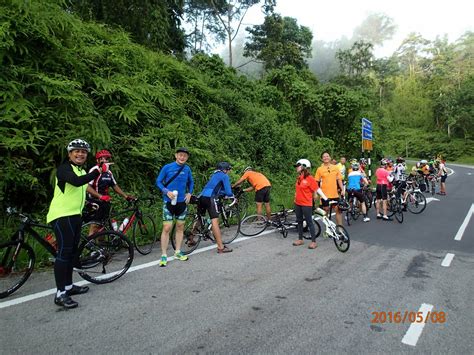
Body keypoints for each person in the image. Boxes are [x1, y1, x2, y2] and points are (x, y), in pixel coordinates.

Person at [46, 139, 106, 309]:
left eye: (84, 152)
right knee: (63, 254)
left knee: (72, 253)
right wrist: (97, 172)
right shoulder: (64, 169)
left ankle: (68, 287)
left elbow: (79, 191)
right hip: (62, 215)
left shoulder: (80, 170)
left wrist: (91, 202)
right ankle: (60, 294)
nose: (80, 154)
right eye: (76, 151)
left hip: (75, 216)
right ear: (69, 154)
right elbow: (77, 182)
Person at [156, 147, 194, 267]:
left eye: (185, 156)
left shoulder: (187, 169)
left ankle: (177, 251)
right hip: (169, 201)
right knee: (167, 227)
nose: (182, 157)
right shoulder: (167, 167)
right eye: (180, 155)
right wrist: (166, 191)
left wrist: (189, 193)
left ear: (187, 158)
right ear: (176, 155)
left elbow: (191, 182)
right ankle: (163, 255)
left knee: (180, 226)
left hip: (182, 202)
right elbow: (158, 181)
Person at [86, 150, 135, 234]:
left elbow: (115, 186)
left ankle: (101, 245)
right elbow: (87, 187)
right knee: (95, 223)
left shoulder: (109, 172)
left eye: (106, 159)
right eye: (102, 159)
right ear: (97, 160)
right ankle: (89, 242)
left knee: (104, 224)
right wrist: (99, 196)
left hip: (106, 200)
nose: (105, 161)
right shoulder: (94, 170)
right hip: (94, 200)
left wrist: (126, 196)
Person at [197, 162, 235, 253]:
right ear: (225, 170)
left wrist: (222, 193)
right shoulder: (224, 176)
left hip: (201, 196)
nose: (229, 172)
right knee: (215, 221)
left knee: (199, 217)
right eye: (229, 170)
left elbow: (215, 187)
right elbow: (229, 192)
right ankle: (221, 247)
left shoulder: (214, 175)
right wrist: (232, 196)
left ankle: (191, 238)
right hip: (210, 197)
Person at [292, 159, 323, 249]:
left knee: (309, 222)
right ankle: (300, 239)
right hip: (297, 203)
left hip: (306, 204)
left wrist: (316, 195)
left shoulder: (310, 178)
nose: (296, 168)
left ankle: (314, 241)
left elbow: (316, 191)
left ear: (303, 167)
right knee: (299, 221)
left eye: (298, 166)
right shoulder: (299, 177)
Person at [315, 152, 344, 226]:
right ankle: (328, 228)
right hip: (324, 195)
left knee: (338, 210)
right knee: (326, 211)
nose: (326, 158)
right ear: (322, 159)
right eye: (324, 157)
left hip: (334, 194)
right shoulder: (319, 169)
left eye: (327, 156)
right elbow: (316, 182)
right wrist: (315, 193)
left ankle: (340, 228)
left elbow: (339, 179)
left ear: (330, 158)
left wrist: (342, 189)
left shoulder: (335, 167)